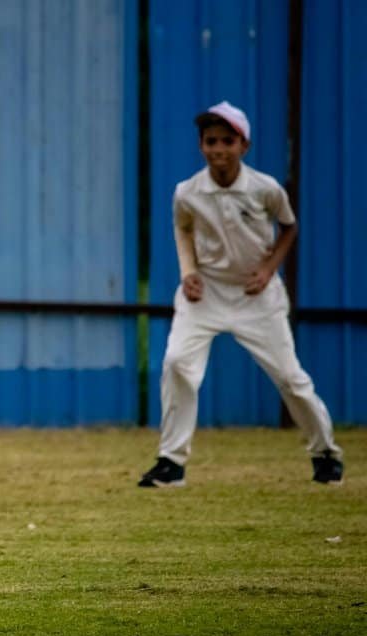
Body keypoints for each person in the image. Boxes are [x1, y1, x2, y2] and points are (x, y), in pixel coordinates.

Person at [138, 101, 344, 488]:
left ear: (243, 145)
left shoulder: (266, 188)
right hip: (206, 294)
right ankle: (171, 462)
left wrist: (268, 270)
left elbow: (289, 228)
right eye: (210, 141)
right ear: (201, 145)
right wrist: (188, 272)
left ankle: (326, 453)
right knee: (178, 364)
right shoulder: (187, 192)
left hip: (257, 294)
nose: (218, 149)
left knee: (289, 377)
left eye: (227, 141)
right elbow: (182, 229)